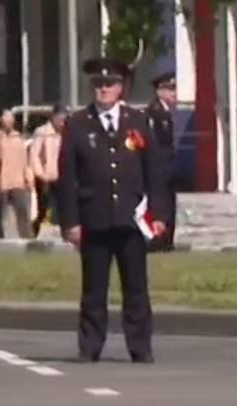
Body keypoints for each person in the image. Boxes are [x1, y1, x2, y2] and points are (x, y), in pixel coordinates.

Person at [58, 57, 172, 363]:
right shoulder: (78, 124)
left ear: (121, 87)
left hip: (131, 219)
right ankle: (90, 345)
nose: (103, 90)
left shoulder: (138, 122)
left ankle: (140, 346)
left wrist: (159, 216)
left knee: (136, 288)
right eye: (97, 84)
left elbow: (154, 173)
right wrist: (70, 222)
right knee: (94, 289)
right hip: (93, 219)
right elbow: (67, 177)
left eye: (109, 84)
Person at [144, 72, 179, 252]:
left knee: (169, 204)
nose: (175, 94)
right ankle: (160, 240)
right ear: (160, 91)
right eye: (170, 89)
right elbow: (155, 144)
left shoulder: (164, 112)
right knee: (162, 204)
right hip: (159, 168)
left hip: (167, 168)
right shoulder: (155, 113)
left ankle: (167, 241)